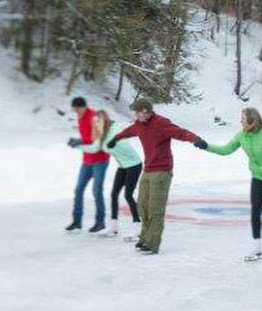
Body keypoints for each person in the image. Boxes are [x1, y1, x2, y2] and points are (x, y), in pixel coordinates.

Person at [195, 107, 262, 262]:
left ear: (251, 122)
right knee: (255, 211)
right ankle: (257, 249)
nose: (240, 122)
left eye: (242, 119)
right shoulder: (241, 136)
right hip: (258, 176)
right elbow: (226, 150)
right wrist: (206, 146)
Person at [108, 98, 203, 254]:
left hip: (162, 171)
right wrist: (115, 139)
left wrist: (196, 139)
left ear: (145, 111)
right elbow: (129, 131)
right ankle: (144, 237)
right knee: (142, 205)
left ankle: (152, 243)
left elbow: (180, 132)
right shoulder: (139, 124)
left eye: (137, 112)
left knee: (155, 209)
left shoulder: (161, 123)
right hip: (148, 170)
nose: (135, 115)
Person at [68, 110, 142, 238]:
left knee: (128, 195)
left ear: (105, 120)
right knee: (114, 195)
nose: (97, 124)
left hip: (134, 165)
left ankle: (138, 227)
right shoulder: (101, 135)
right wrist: (78, 145)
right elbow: (94, 148)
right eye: (95, 122)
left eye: (99, 121)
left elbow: (121, 142)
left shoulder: (114, 130)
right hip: (123, 166)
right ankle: (113, 228)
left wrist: (113, 143)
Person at [65, 97, 110, 233]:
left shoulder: (95, 118)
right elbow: (88, 138)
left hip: (100, 160)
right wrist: (78, 140)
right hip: (87, 160)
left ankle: (100, 222)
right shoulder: (80, 118)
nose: (76, 112)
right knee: (78, 190)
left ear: (84, 107)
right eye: (74, 110)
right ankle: (77, 222)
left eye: (77, 109)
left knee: (96, 191)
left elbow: (96, 142)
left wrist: (78, 145)